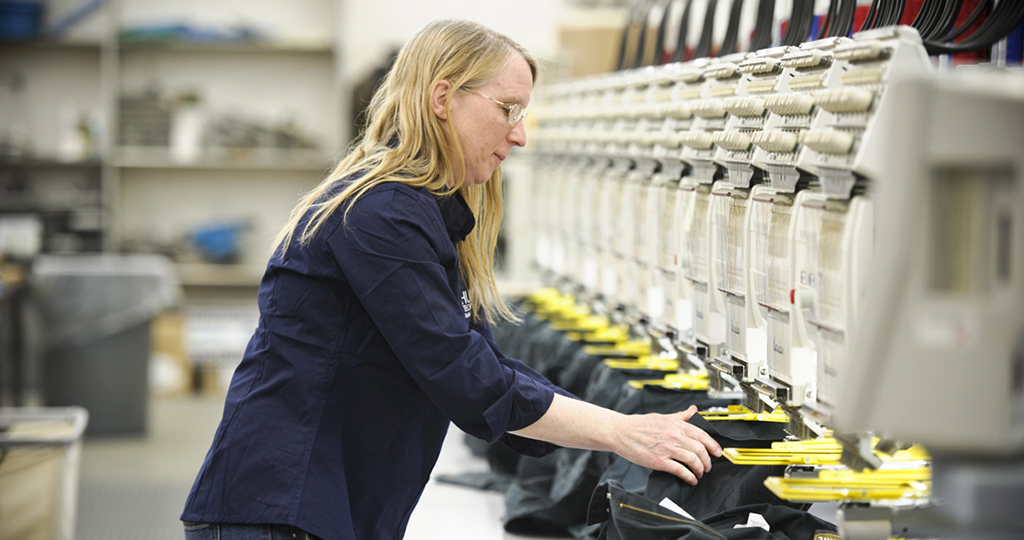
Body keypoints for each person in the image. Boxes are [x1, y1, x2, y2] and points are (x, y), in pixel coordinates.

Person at [180, 19, 721, 540]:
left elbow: (485, 365)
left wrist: (624, 424)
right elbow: (466, 377)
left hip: (323, 511)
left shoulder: (423, 215)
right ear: (443, 98)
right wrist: (622, 433)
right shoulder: (380, 213)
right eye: (508, 109)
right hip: (281, 510)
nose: (521, 135)